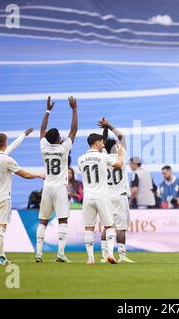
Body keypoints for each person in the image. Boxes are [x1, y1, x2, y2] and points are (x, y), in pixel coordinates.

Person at [0, 133, 45, 265]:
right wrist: (38, 175)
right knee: (1, 227)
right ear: (5, 144)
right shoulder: (7, 160)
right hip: (2, 196)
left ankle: (1, 256)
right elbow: (25, 174)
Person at [0, 127, 33, 263]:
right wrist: (23, 134)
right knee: (0, 226)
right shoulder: (2, 157)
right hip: (0, 194)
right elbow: (13, 145)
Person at [36, 96, 78, 263]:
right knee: (63, 220)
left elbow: (42, 131)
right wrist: (74, 109)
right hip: (60, 187)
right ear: (58, 139)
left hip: (47, 187)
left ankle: (38, 253)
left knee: (43, 220)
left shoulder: (44, 146)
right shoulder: (63, 148)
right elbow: (74, 129)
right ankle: (60, 253)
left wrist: (48, 111)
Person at [78, 133, 124, 265]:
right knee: (110, 226)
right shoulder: (103, 156)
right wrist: (120, 154)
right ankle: (110, 254)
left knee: (89, 228)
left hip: (88, 196)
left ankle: (90, 258)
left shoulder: (80, 159)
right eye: (102, 142)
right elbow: (119, 165)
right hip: (102, 195)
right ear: (97, 143)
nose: (103, 145)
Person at [98, 117, 134, 263]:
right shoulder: (121, 155)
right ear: (116, 147)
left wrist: (104, 129)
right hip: (119, 196)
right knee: (121, 228)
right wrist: (109, 126)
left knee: (107, 226)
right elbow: (122, 136)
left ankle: (104, 255)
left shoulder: (102, 157)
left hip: (106, 196)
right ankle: (122, 256)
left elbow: (103, 142)